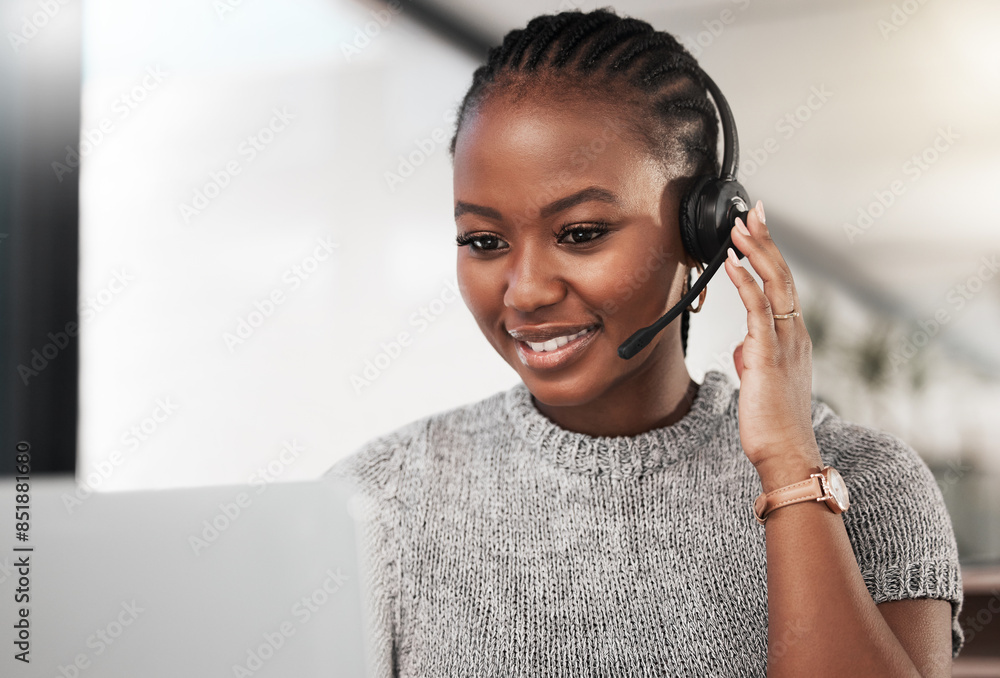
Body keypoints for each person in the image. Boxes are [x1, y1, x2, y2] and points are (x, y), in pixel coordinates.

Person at [327, 8, 964, 677]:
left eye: (580, 233)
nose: (525, 292)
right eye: (485, 242)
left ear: (704, 237)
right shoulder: (374, 504)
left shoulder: (868, 483)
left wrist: (788, 466)